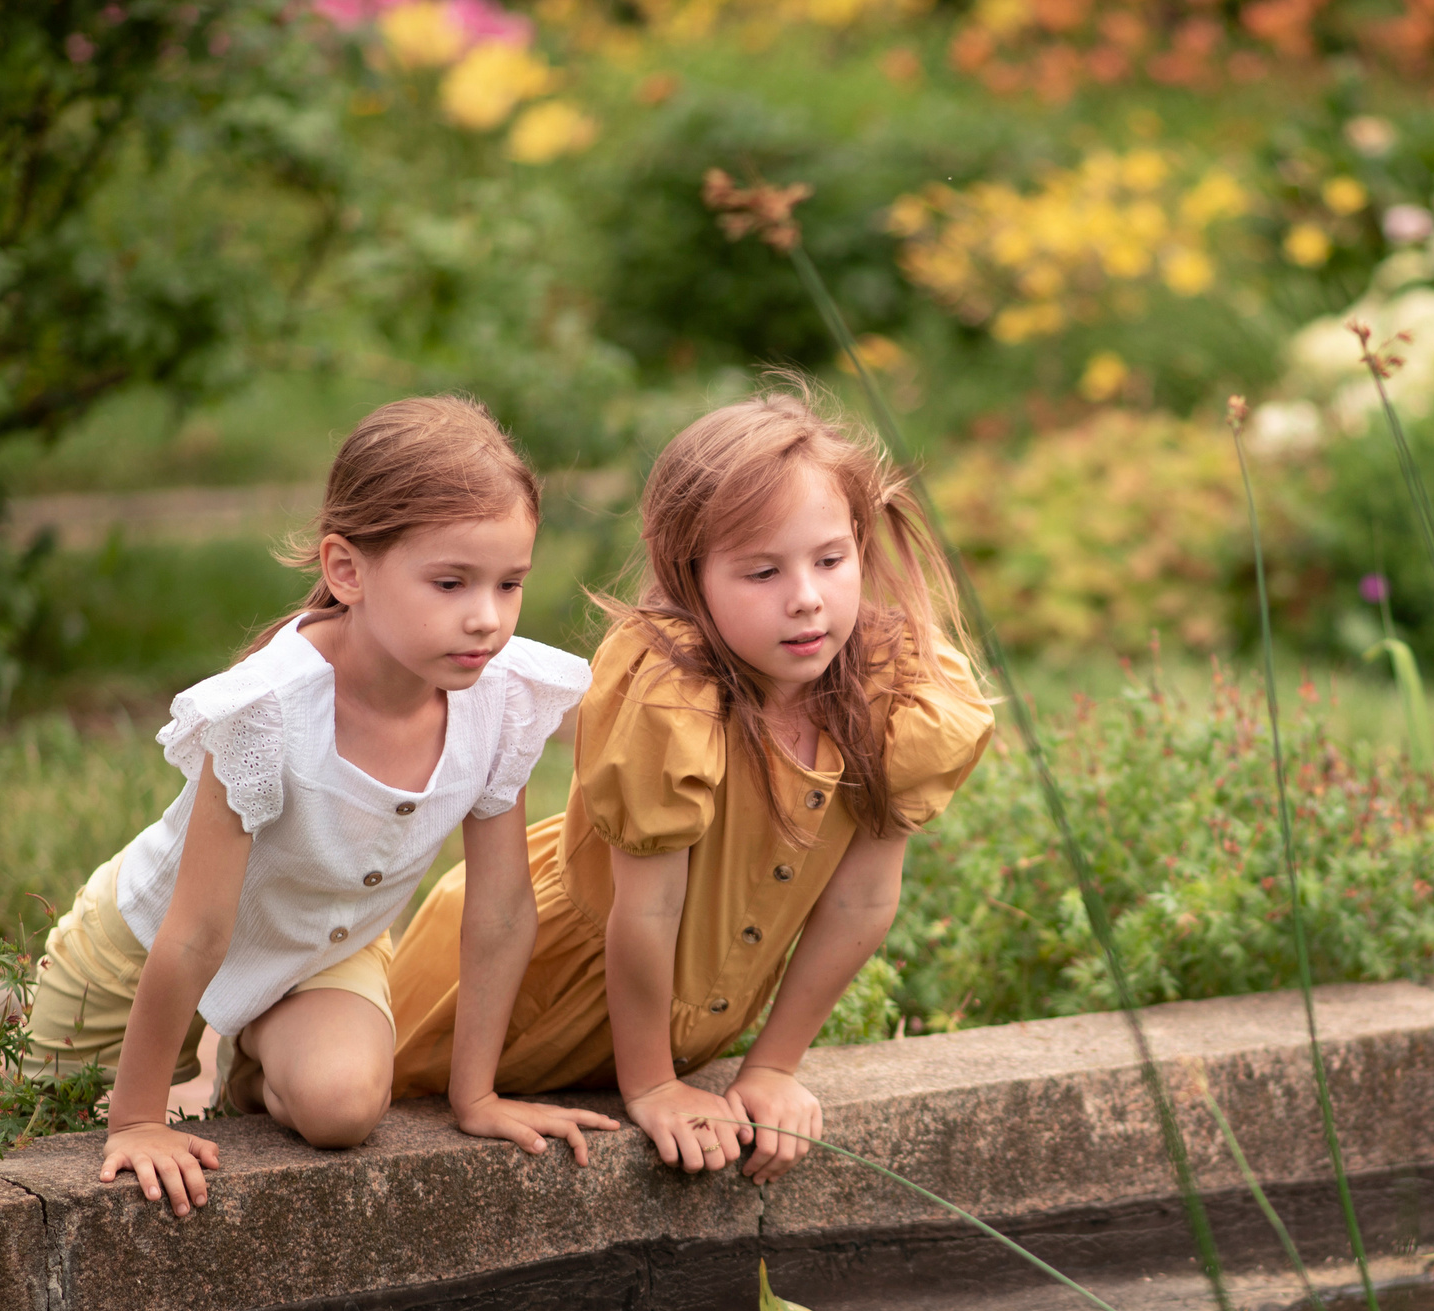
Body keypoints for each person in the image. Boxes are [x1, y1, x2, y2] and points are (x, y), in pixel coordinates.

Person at [385, 383, 994, 1185]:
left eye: (830, 560)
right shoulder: (670, 694)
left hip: (679, 1024)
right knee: (372, 1092)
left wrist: (772, 1066)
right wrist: (651, 1084)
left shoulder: (894, 693)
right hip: (537, 990)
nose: (806, 597)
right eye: (762, 571)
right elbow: (648, 909)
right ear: (689, 574)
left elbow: (862, 900)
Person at [26, 396, 619, 1217]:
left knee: (345, 1109)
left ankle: (248, 1063)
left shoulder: (502, 697)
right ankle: (177, 1061)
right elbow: (195, 931)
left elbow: (503, 907)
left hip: (320, 954)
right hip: (142, 953)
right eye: (450, 582)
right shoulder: (267, 709)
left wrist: (475, 1095)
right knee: (19, 1131)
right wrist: (137, 1118)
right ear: (347, 570)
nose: (487, 617)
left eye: (510, 583)